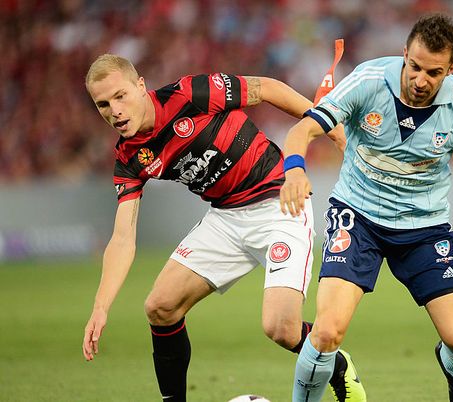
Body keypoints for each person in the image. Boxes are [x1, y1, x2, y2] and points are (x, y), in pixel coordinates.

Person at [81, 54, 362, 402]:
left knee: (282, 329)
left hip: (279, 204)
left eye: (120, 96)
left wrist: (330, 127)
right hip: (226, 217)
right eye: (103, 104)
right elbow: (122, 239)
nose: (115, 111)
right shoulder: (128, 156)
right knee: (160, 306)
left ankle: (337, 365)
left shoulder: (190, 94)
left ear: (141, 86)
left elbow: (269, 88)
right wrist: (100, 307)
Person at [280, 13, 453, 402]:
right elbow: (302, 129)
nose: (420, 80)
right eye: (414, 66)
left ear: (451, 68)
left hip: (425, 226)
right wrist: (295, 171)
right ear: (404, 53)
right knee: (327, 332)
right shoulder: (368, 81)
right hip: (358, 216)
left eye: (433, 72)